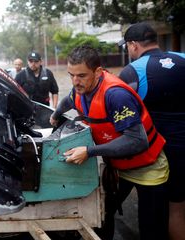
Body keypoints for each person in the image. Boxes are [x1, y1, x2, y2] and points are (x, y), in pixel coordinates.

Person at [49, 46, 169, 240]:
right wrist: (55, 115)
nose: (75, 82)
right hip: (119, 167)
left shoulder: (116, 95)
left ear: (98, 72)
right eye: (71, 75)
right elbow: (68, 100)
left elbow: (138, 141)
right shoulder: (80, 88)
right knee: (101, 215)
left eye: (81, 75)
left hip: (148, 167)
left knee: (151, 228)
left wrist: (89, 151)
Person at [118, 22, 185, 240]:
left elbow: (120, 113)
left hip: (158, 152)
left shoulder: (132, 71)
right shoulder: (182, 58)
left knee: (155, 210)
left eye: (128, 46)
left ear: (134, 45)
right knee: (178, 208)